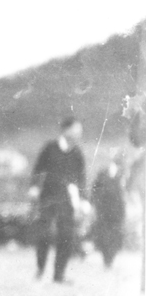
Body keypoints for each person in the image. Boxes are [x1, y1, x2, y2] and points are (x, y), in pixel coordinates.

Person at [28, 116, 87, 283]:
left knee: (67, 235)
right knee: (44, 234)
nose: (78, 134)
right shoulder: (50, 148)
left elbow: (81, 178)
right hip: (47, 196)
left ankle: (59, 274)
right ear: (66, 130)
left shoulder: (77, 153)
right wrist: (34, 187)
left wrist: (83, 200)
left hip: (67, 200)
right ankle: (40, 268)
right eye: (76, 130)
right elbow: (38, 168)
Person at [90, 152, 127, 269]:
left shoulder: (124, 175)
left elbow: (126, 192)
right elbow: (95, 189)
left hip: (117, 210)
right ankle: (106, 258)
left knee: (115, 235)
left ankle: (110, 259)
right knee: (104, 234)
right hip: (104, 209)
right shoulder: (104, 173)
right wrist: (94, 203)